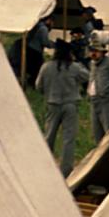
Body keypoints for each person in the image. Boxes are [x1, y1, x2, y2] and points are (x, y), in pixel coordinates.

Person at [36, 39, 85, 175]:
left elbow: (38, 85)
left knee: (49, 135)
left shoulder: (46, 67)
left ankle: (46, 166)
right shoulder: (74, 67)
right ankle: (66, 169)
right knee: (68, 138)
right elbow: (86, 76)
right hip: (70, 104)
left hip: (53, 103)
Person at [76, 36, 109, 143]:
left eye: (96, 51)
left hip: (107, 101)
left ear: (102, 52)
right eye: (92, 51)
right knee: (97, 133)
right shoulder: (92, 63)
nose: (93, 54)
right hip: (94, 101)